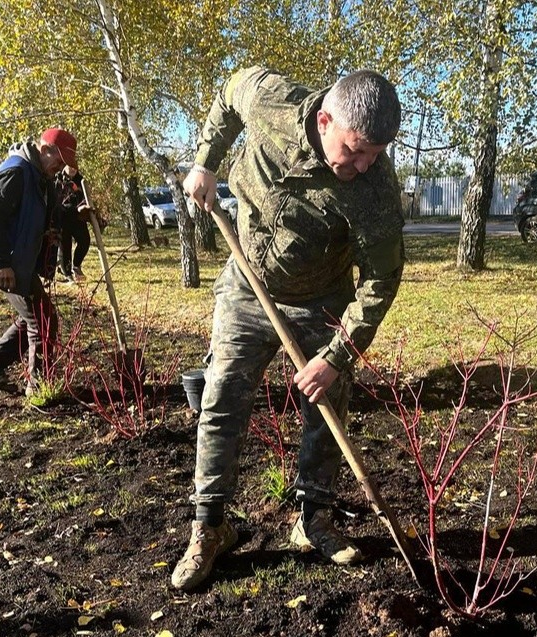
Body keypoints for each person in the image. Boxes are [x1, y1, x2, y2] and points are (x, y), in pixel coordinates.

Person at [171, 67, 404, 591]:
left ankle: (313, 519)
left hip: (322, 299)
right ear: (324, 120)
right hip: (247, 282)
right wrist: (204, 163)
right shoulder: (271, 100)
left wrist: (336, 356)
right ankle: (209, 526)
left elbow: (381, 281)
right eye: (356, 149)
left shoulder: (376, 191)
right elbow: (229, 92)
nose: (365, 163)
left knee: (326, 406)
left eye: (376, 152)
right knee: (222, 395)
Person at [0, 127, 77, 396]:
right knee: (43, 319)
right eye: (58, 161)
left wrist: (74, 215)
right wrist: (0, 263)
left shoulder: (39, 175)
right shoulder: (17, 172)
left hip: (16, 258)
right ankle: (39, 388)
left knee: (35, 315)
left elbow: (46, 213)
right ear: (44, 149)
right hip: (2, 260)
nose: (59, 168)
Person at [54, 165, 91, 282]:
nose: (74, 169)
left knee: (85, 240)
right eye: (71, 166)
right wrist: (75, 209)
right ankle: (67, 273)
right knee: (65, 246)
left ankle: (77, 266)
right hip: (62, 219)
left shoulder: (81, 180)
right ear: (64, 166)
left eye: (76, 167)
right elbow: (57, 203)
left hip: (78, 218)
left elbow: (86, 198)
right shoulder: (57, 179)